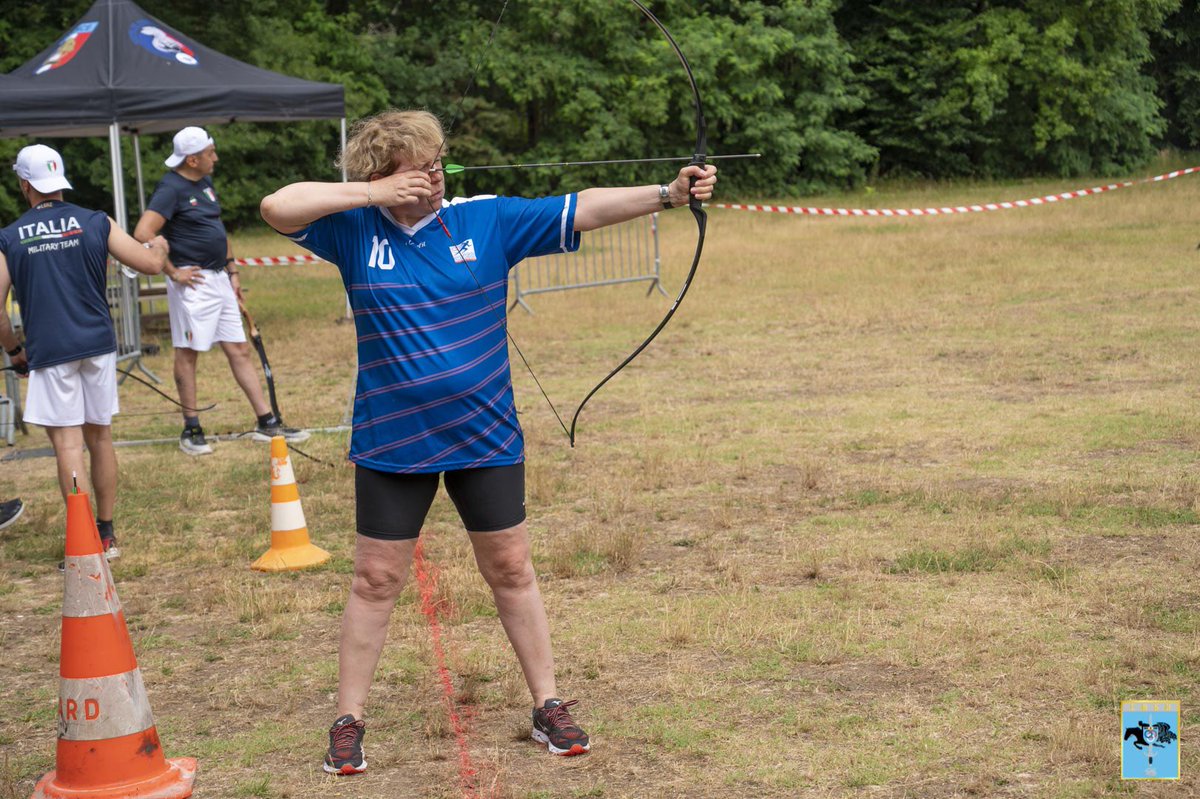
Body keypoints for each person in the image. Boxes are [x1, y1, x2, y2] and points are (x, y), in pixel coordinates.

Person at [259, 109, 718, 773]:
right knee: (376, 578)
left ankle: (548, 703)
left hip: (485, 434)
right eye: (418, 169)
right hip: (393, 440)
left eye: (437, 164)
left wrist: (667, 195)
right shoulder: (353, 229)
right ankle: (348, 717)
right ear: (383, 176)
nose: (435, 176)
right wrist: (373, 195)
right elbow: (276, 206)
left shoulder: (484, 220)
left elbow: (581, 207)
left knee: (511, 568)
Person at [0, 144, 169, 561]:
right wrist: (161, 247)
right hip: (97, 344)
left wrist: (15, 350)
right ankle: (106, 534)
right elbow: (149, 264)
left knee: (68, 446)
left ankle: (84, 541)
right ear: (60, 180)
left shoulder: (9, 236)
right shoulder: (96, 221)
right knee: (101, 437)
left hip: (49, 349)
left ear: (24, 185)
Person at [133, 126, 308, 455]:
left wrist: (232, 271)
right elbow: (144, 232)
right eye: (210, 153)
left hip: (219, 279)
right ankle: (191, 428)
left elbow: (217, 228)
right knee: (188, 353)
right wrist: (173, 271)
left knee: (239, 349)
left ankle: (267, 421)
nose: (215, 157)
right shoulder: (170, 188)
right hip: (193, 283)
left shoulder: (205, 183)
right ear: (193, 159)